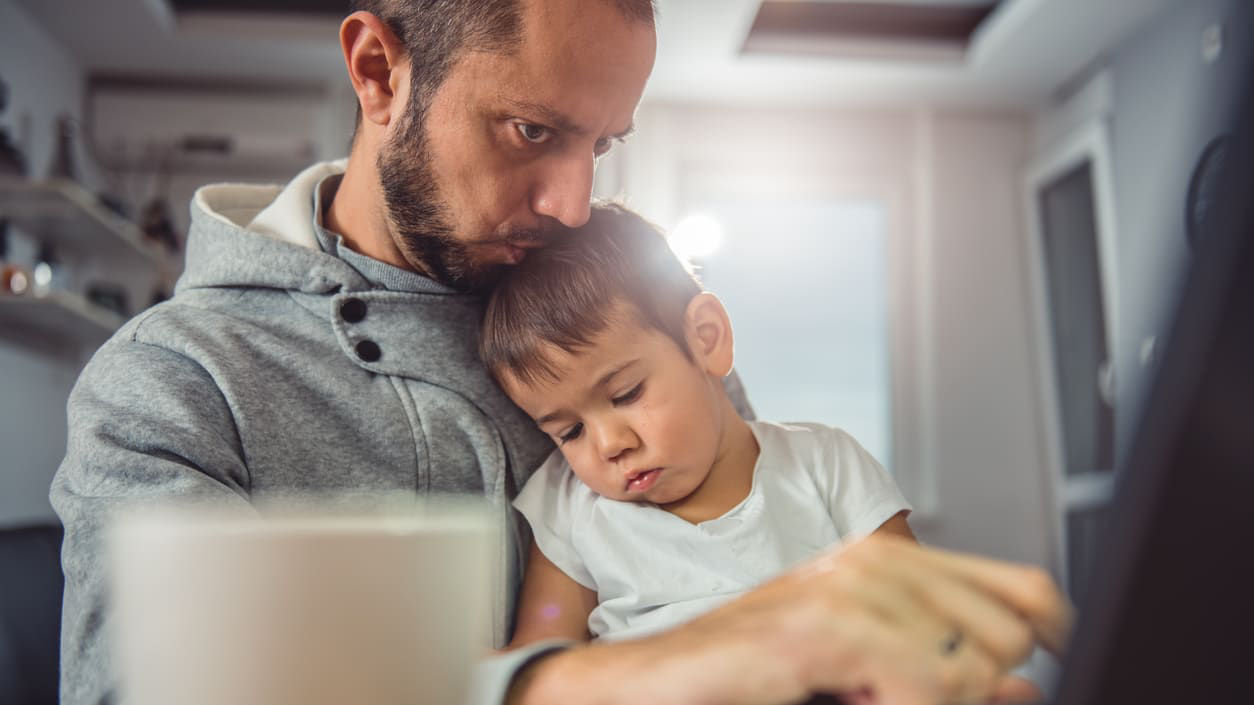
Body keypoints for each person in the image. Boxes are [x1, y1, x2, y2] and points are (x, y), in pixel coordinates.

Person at [50, 1, 1072, 704]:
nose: (573, 203)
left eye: (602, 144)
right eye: (532, 129)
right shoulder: (175, 385)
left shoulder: (622, 305)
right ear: (378, 72)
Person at [481, 203, 918, 646]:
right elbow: (538, 664)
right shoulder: (569, 506)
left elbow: (919, 614)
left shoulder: (825, 462)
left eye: (626, 394)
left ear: (706, 338)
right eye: (570, 432)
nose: (610, 445)